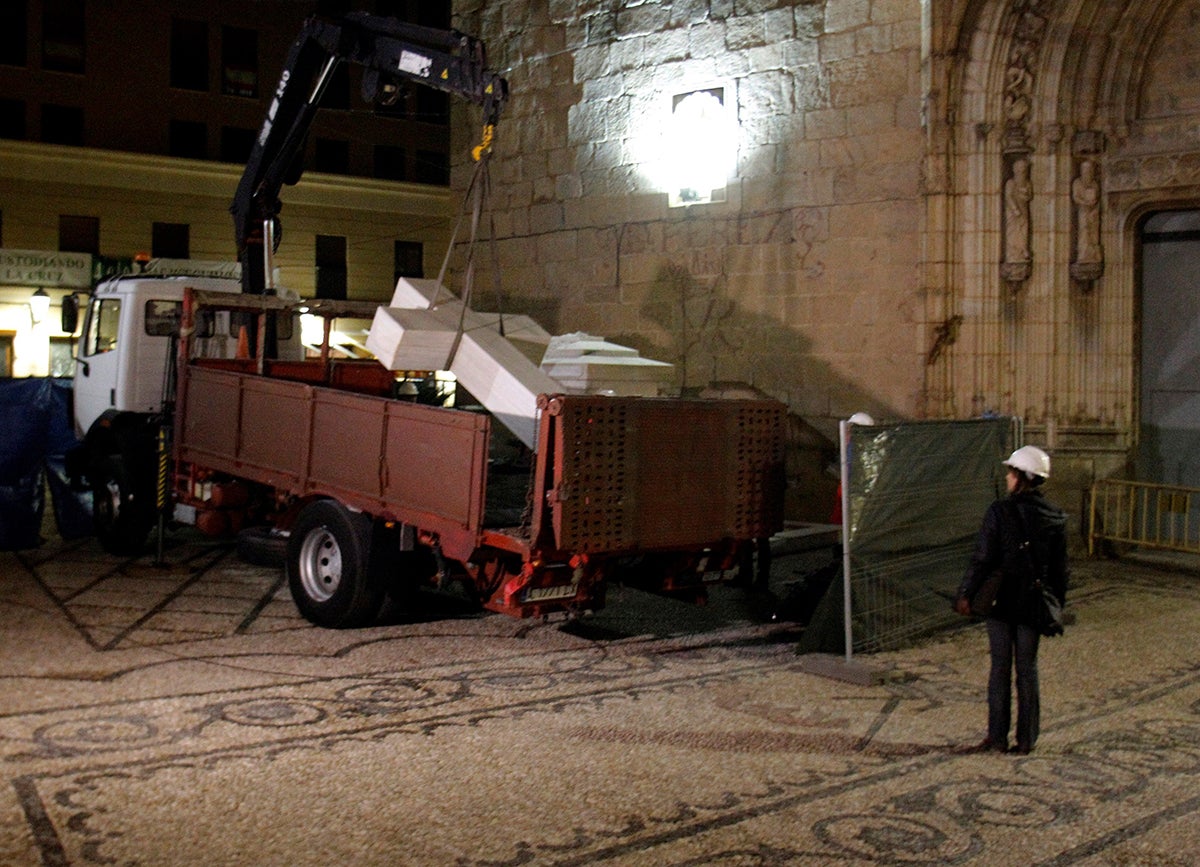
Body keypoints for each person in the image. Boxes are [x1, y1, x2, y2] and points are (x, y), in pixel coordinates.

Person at [954, 445, 1068, 754]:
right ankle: (1027, 739)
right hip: (1032, 602)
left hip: (1002, 602)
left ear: (1022, 477)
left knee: (1000, 668)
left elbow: (983, 559)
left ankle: (996, 737)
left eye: (1010, 472)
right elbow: (1060, 570)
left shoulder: (999, 512)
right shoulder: (1055, 516)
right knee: (1027, 670)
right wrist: (1055, 604)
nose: (1007, 477)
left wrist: (966, 593)